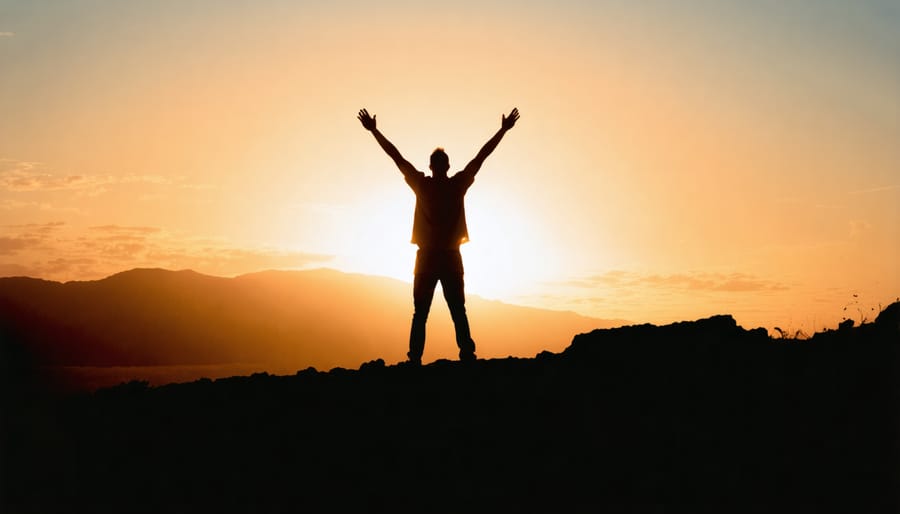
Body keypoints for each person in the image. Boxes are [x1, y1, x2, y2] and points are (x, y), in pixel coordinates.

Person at [357, 107, 520, 365]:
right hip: (450, 257)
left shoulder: (422, 185)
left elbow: (396, 157)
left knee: (421, 313)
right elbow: (481, 157)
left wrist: (374, 131)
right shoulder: (457, 185)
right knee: (457, 310)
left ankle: (415, 359)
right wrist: (502, 130)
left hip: (427, 258)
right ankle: (466, 354)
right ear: (446, 166)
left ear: (431, 166)